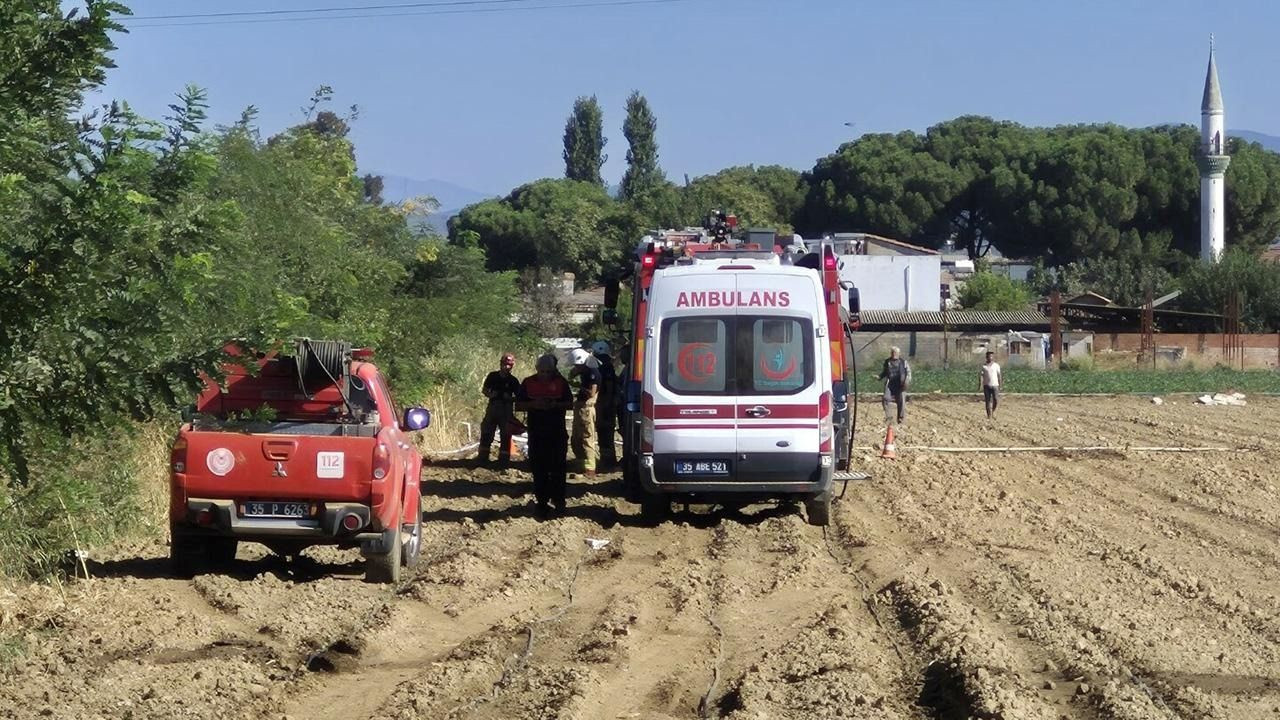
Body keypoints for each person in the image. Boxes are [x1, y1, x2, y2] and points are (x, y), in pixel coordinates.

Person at [515, 354, 572, 517]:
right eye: (542, 371)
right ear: (537, 370)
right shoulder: (528, 383)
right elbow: (518, 405)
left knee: (558, 468)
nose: (545, 375)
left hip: (557, 433)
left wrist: (555, 404)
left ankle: (559, 501)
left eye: (549, 371)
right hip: (536, 433)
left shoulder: (561, 383)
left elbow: (570, 403)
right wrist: (533, 404)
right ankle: (542, 502)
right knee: (539, 469)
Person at [477, 352, 520, 466]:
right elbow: (485, 390)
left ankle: (504, 460)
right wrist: (491, 395)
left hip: (506, 409)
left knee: (506, 435)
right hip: (493, 407)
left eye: (509, 365)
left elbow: (520, 397)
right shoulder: (493, 376)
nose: (507, 367)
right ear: (501, 364)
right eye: (505, 364)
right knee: (487, 432)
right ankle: (482, 458)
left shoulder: (513, 381)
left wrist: (510, 398)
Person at [568, 348, 601, 477]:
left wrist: (578, 386)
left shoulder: (593, 373)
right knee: (576, 438)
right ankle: (581, 464)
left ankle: (590, 469)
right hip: (581, 408)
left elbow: (592, 393)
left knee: (587, 438)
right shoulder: (586, 371)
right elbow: (572, 373)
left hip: (587, 409)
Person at [591, 341, 618, 468]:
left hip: (605, 404)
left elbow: (609, 387)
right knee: (605, 432)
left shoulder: (605, 367)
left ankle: (608, 460)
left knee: (605, 432)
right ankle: (607, 458)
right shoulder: (607, 366)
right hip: (605, 403)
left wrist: (605, 405)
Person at [878, 346, 911, 425]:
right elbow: (885, 372)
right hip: (890, 384)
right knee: (886, 399)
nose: (894, 354)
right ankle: (889, 418)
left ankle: (900, 419)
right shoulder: (887, 362)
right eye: (892, 352)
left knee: (901, 401)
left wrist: (906, 382)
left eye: (895, 352)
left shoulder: (904, 362)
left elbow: (908, 373)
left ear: (899, 354)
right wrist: (879, 377)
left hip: (900, 385)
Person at [981, 351, 1002, 419]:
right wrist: (980, 385)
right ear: (986, 357)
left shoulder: (996, 365)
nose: (990, 357)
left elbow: (999, 375)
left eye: (991, 356)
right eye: (989, 356)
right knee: (987, 401)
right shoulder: (984, 366)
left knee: (996, 399)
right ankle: (989, 415)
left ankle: (993, 411)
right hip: (986, 385)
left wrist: (1000, 385)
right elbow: (981, 376)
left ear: (993, 357)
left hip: (995, 385)